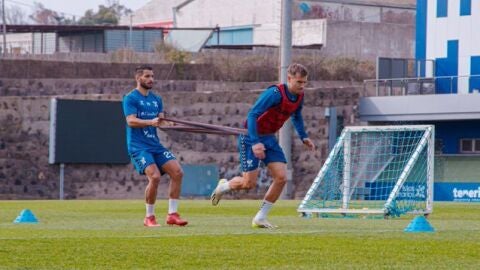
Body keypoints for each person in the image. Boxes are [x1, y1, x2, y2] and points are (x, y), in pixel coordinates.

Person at [211, 63, 315, 228]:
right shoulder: (274, 93)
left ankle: (260, 217)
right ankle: (224, 186)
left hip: (269, 138)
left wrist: (304, 136)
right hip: (250, 137)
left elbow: (296, 115)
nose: (302, 86)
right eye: (299, 82)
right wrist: (255, 142)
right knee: (248, 184)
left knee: (281, 177)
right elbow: (253, 115)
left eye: (304, 82)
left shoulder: (299, 96)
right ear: (289, 79)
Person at [122, 65, 188, 227]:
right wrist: (149, 122)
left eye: (152, 76)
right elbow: (130, 121)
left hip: (155, 145)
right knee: (155, 177)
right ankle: (149, 217)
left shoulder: (156, 99)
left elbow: (161, 121)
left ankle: (172, 215)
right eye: (147, 76)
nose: (151, 79)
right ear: (138, 78)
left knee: (178, 172)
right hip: (139, 147)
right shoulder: (130, 98)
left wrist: (169, 124)